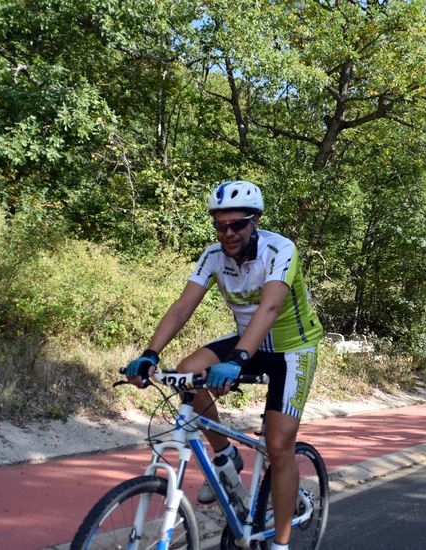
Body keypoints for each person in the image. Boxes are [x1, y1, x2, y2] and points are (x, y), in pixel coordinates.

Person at [122, 180, 322, 550]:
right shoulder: (213, 256)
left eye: (237, 225)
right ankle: (225, 455)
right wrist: (150, 353)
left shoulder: (280, 249)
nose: (228, 233)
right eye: (220, 225)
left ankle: (280, 544)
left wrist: (237, 359)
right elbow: (183, 306)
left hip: (292, 348)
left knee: (279, 446)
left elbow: (270, 307)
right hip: (247, 340)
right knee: (184, 374)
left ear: (255, 221)